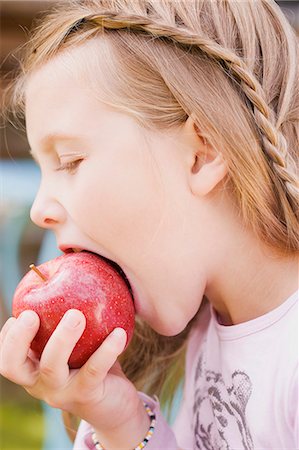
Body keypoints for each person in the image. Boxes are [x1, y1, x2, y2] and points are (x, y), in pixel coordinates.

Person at [0, 0, 298, 448]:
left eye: (71, 160)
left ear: (203, 153)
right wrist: (120, 422)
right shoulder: (214, 327)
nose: (41, 208)